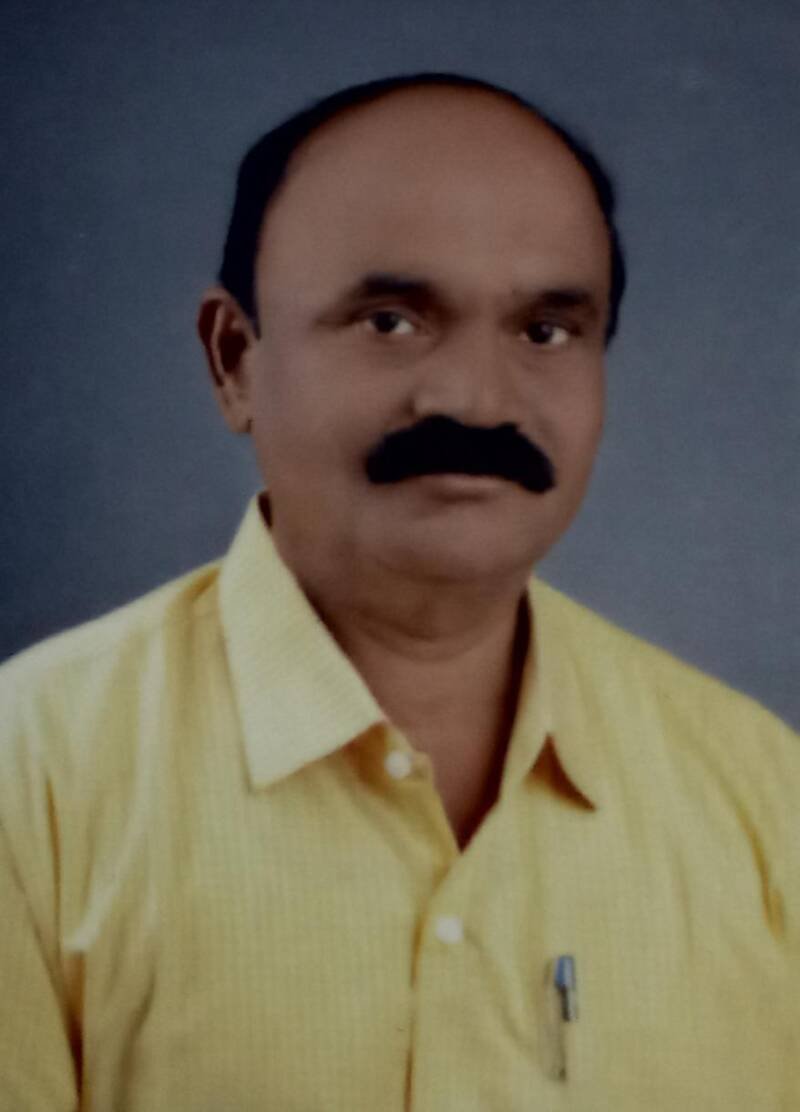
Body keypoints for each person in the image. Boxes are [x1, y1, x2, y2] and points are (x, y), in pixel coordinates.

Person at [0, 72, 797, 1111]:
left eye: (545, 332)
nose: (474, 397)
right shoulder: (30, 783)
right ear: (234, 359)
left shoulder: (764, 795)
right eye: (390, 321)